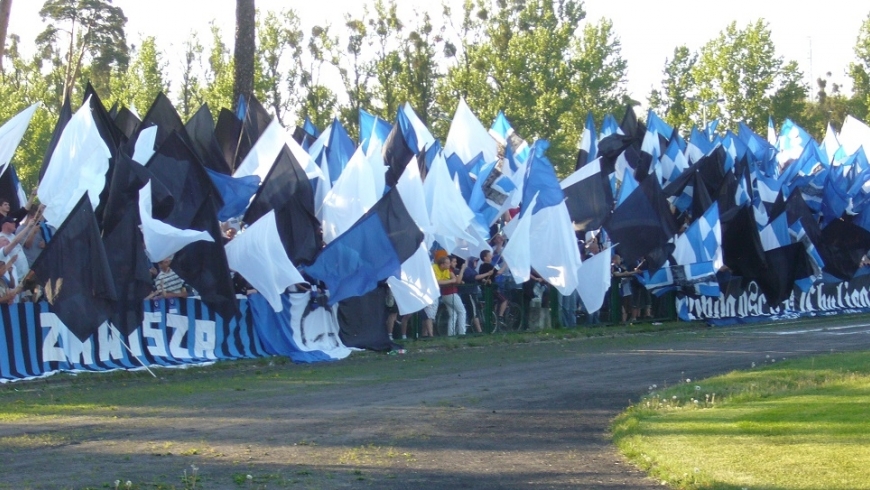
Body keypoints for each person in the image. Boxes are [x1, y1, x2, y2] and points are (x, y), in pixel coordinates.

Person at [479, 249, 509, 327]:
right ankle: (500, 317)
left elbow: (493, 275)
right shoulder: (489, 266)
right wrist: (506, 264)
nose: (491, 257)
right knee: (504, 300)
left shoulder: (481, 266)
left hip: (484, 289)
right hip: (491, 289)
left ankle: (494, 318)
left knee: (493, 304)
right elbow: (499, 272)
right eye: (489, 256)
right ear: (485, 258)